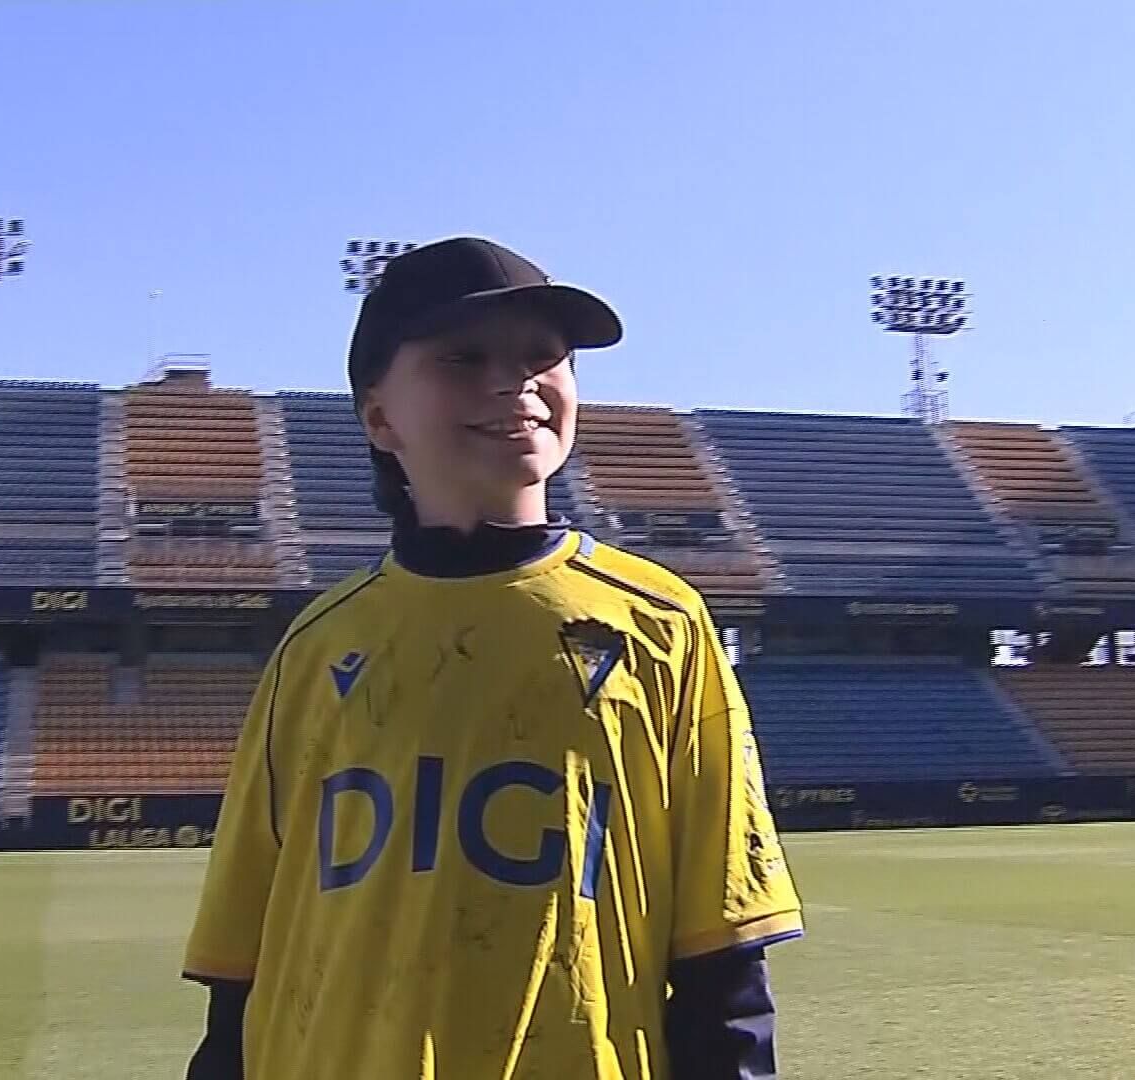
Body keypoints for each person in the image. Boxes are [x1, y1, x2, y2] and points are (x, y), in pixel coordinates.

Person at [182, 237, 804, 1079]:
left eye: (543, 356)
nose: (516, 383)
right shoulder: (315, 648)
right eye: (463, 358)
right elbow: (241, 971)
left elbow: (723, 964)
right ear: (379, 417)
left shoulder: (661, 624)